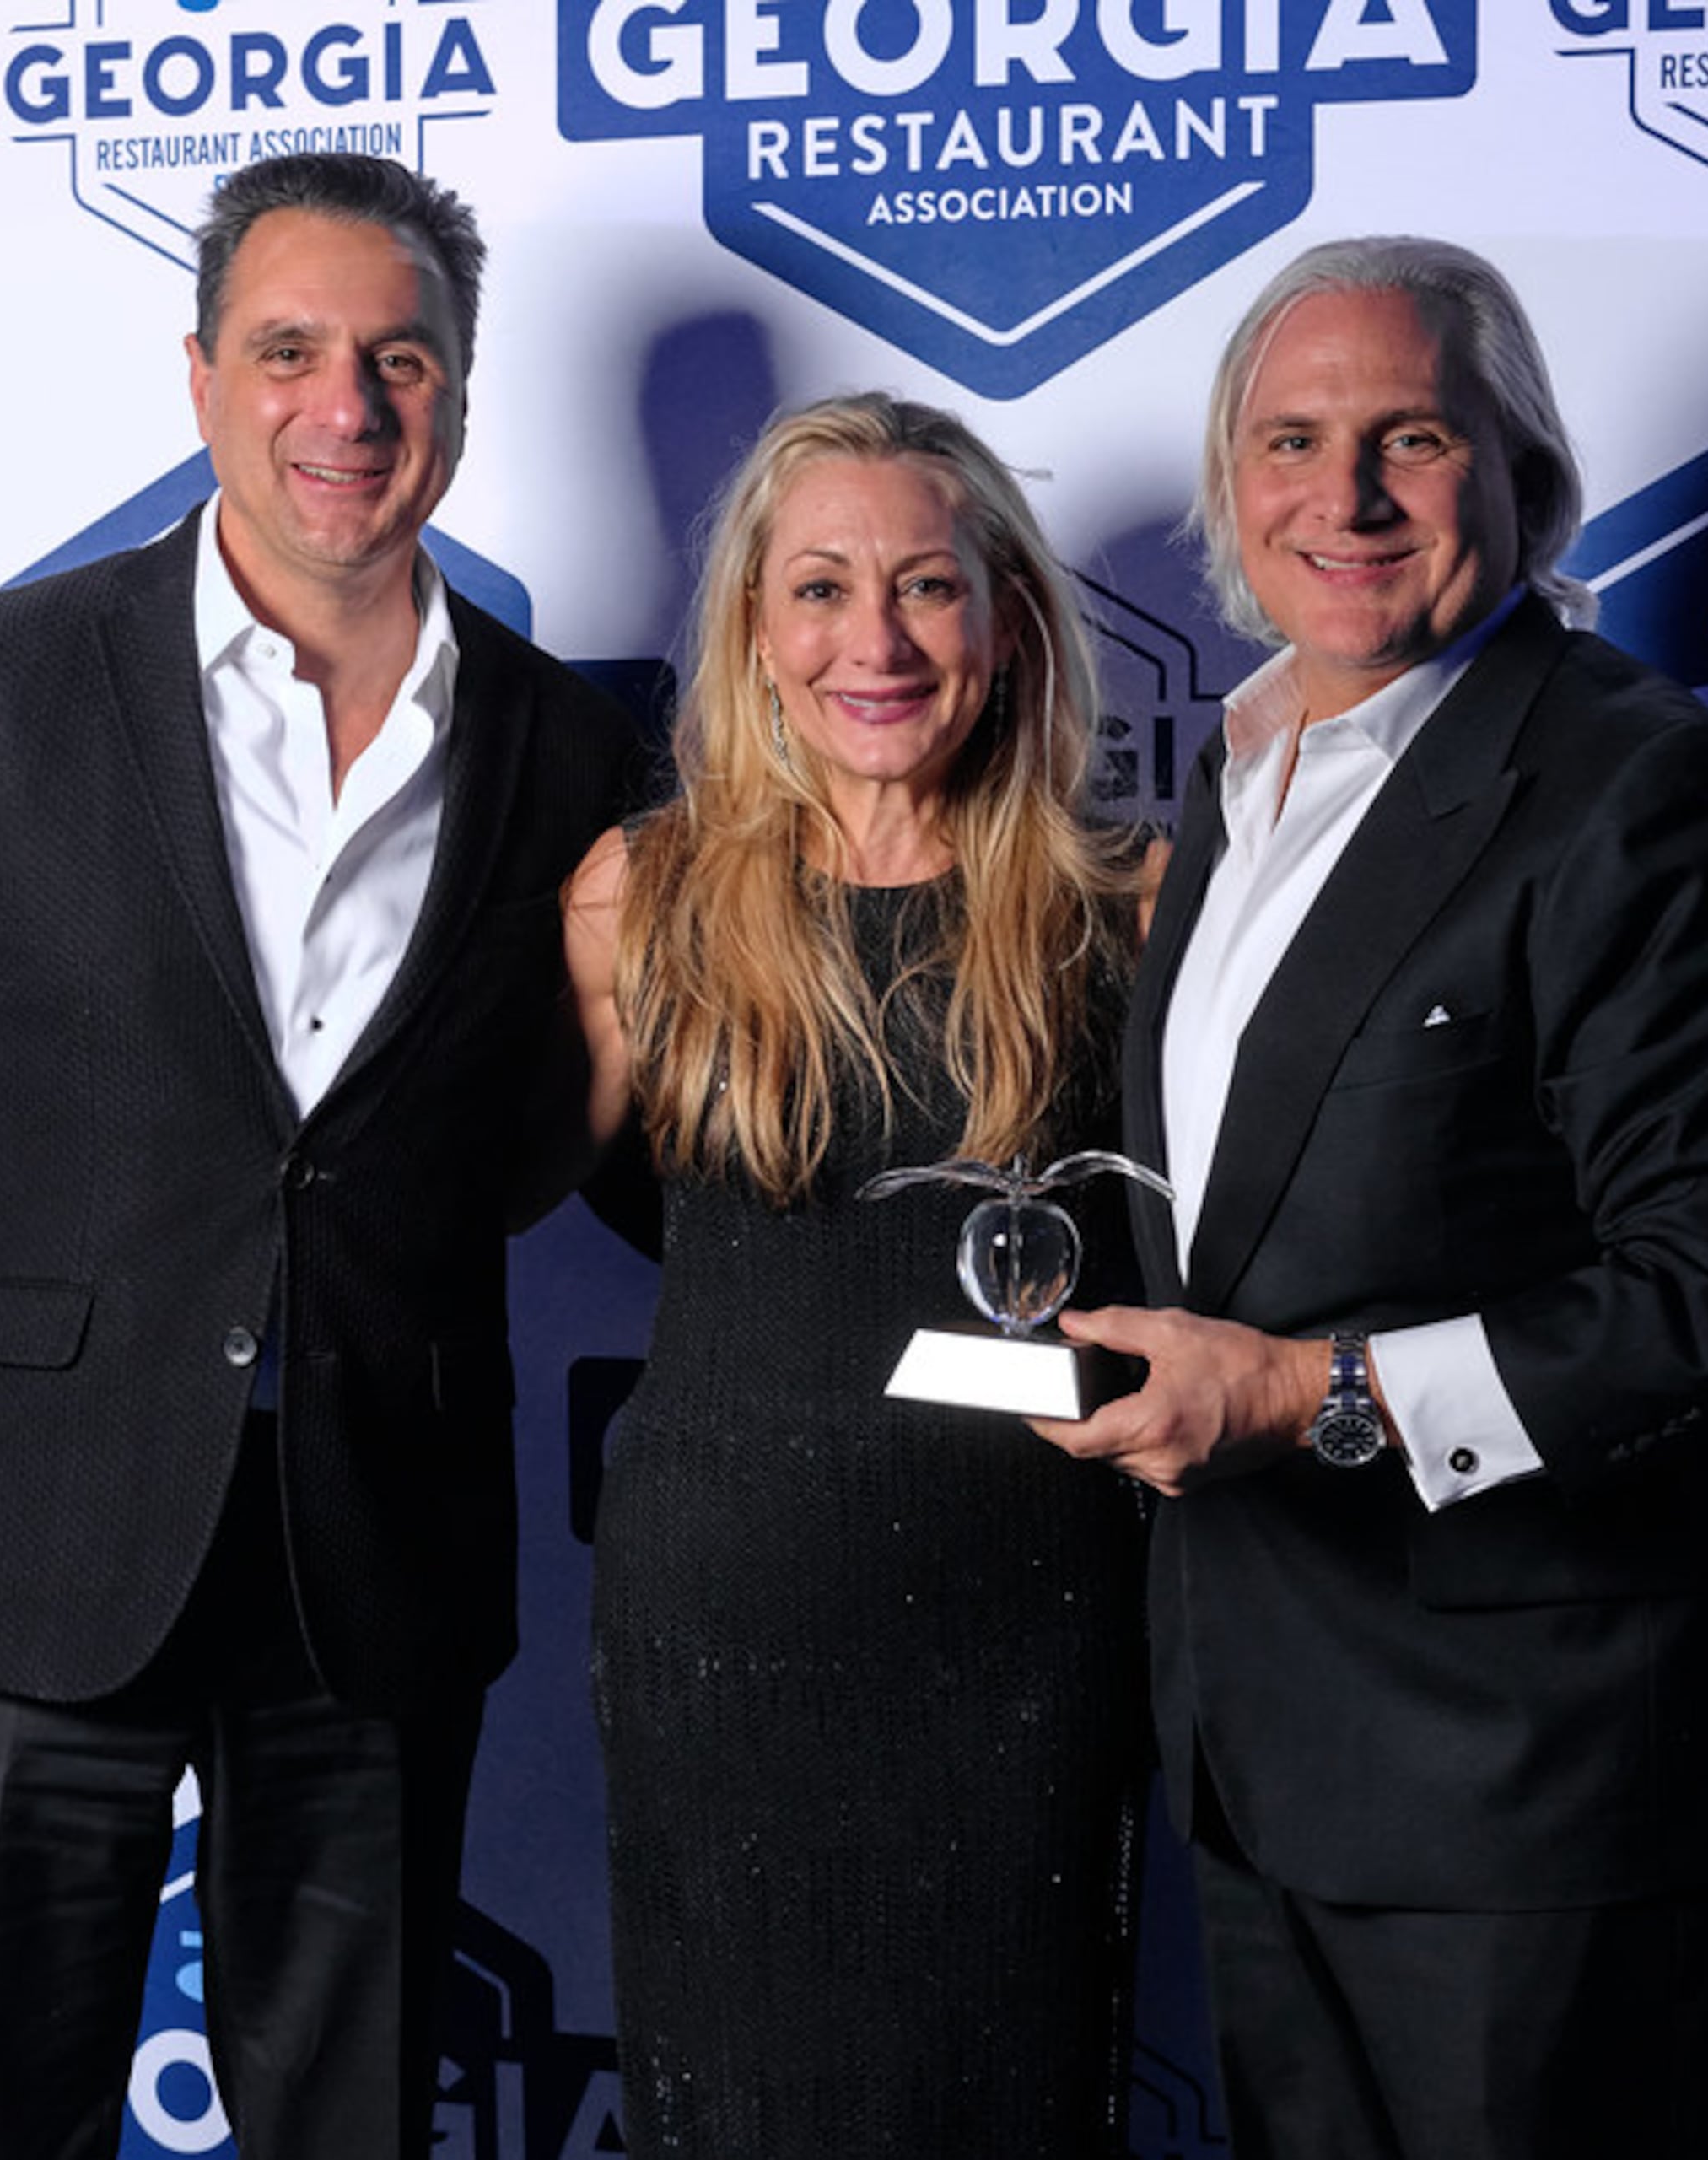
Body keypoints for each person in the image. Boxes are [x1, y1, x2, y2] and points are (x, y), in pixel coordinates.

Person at [0, 152, 644, 2158]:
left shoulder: (572, 753)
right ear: (204, 376)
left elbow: (487, 1155)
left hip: (374, 1563)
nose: (350, 409)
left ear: (463, 395)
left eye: (401, 360)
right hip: (12, 1559)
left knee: (351, 2122)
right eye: (293, 351)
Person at [1031, 238, 1708, 2159]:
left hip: (1543, 1784)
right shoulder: (1241, 773)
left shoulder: (1645, 791)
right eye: (1291, 441)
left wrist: (1299, 1395)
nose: (1348, 498)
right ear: (1232, 487)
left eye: (1413, 436)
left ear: (1521, 474)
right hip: (1267, 1746)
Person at [562, 392, 1154, 2156]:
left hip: (1030, 1620)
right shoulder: (637, 899)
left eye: (926, 586)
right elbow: (522, 1195)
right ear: (754, 629)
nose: (873, 642)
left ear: (1011, 619)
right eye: (819, 589)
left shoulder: (1129, 909)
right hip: (728, 1619)